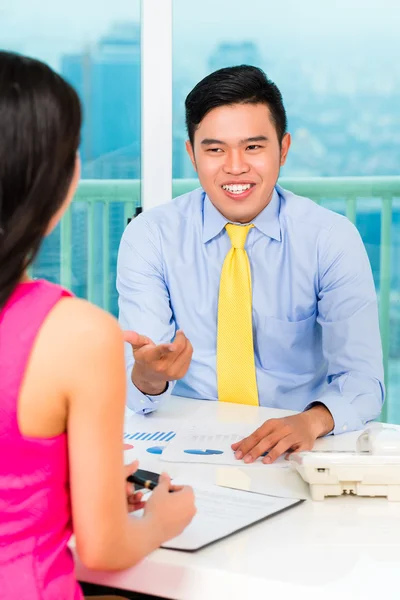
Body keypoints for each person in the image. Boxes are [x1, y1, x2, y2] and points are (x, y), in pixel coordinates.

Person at [0, 51, 196, 600]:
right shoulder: (77, 336)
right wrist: (161, 518)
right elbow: (104, 547)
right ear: (55, 181)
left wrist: (61, 487)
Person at [117, 65, 384, 466]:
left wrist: (312, 421)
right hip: (181, 443)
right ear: (192, 154)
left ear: (284, 148)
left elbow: (363, 382)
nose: (236, 166)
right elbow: (141, 386)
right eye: (215, 149)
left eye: (254, 147)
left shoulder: (330, 238)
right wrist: (151, 375)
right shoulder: (150, 236)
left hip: (296, 444)